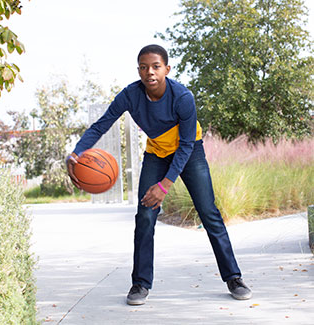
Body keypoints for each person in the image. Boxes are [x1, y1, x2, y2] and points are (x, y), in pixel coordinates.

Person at [66, 44, 252, 305]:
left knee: (208, 212)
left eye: (155, 66)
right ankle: (140, 284)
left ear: (167, 68)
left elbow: (186, 145)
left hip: (190, 152)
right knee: (144, 215)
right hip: (156, 153)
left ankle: (234, 277)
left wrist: (164, 186)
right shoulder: (130, 95)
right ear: (138, 70)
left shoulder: (182, 97)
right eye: (143, 67)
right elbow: (102, 124)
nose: (149, 72)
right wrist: (76, 153)